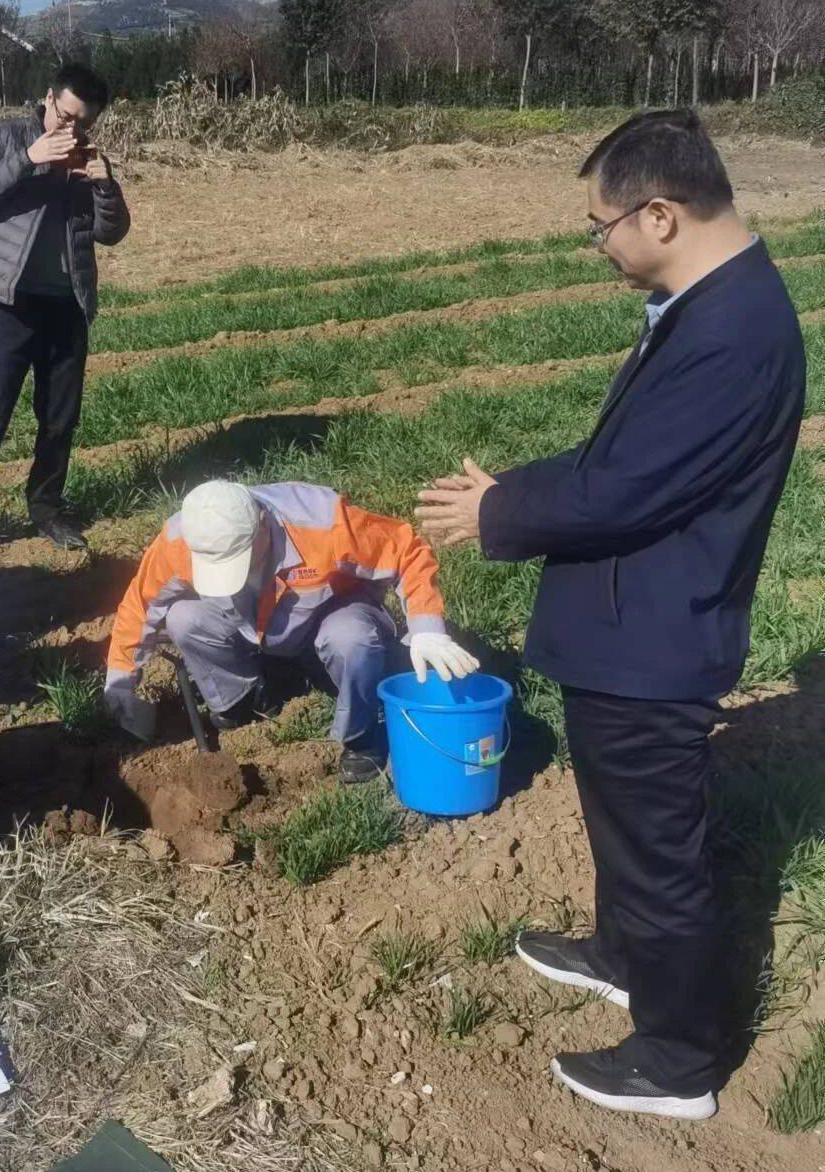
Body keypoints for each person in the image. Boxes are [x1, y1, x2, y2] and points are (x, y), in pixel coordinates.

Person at [415, 110, 805, 1120]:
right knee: (626, 825)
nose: (600, 248)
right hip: (627, 625)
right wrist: (515, 487)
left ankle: (678, 1057)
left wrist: (496, 511)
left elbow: (626, 490)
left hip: (655, 639)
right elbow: (619, 465)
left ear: (660, 214)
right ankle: (621, 954)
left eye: (603, 227)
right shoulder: (710, 301)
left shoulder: (733, 331)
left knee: (663, 853)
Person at [104, 480, 479, 780]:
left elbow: (405, 550)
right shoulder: (182, 537)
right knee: (183, 617)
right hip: (252, 624)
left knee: (351, 638)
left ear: (263, 528)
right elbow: (139, 605)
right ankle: (240, 700)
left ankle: (361, 737)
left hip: (331, 614)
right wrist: (120, 681)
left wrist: (428, 628)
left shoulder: (321, 522)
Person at [0, 62, 132, 561]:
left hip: (67, 303)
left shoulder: (87, 155)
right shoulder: (6, 135)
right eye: (65, 117)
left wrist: (105, 186)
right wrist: (29, 157)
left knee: (59, 418)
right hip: (9, 301)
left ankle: (46, 508)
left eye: (84, 123)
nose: (72, 130)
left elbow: (112, 232)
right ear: (47, 99)